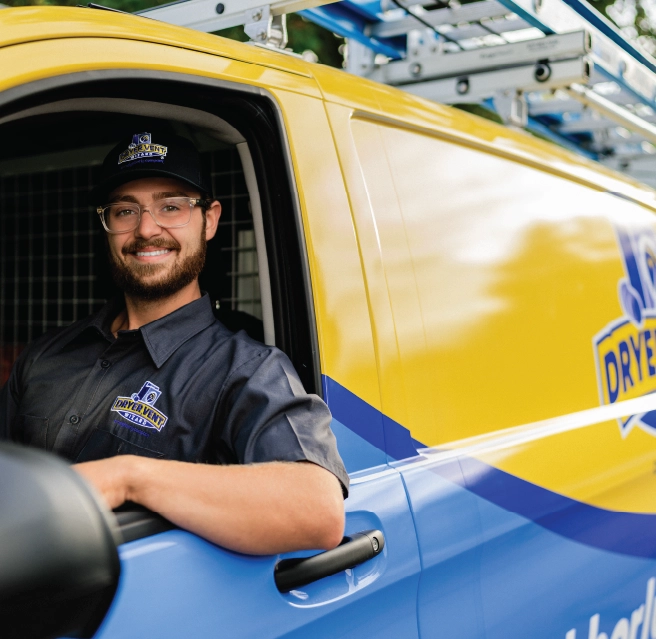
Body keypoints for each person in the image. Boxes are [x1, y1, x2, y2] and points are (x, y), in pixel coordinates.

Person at [0, 131, 348, 555]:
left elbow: (316, 511)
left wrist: (127, 478)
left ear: (210, 219)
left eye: (171, 207)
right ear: (107, 225)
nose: (147, 229)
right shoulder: (45, 355)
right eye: (125, 210)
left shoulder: (247, 371)